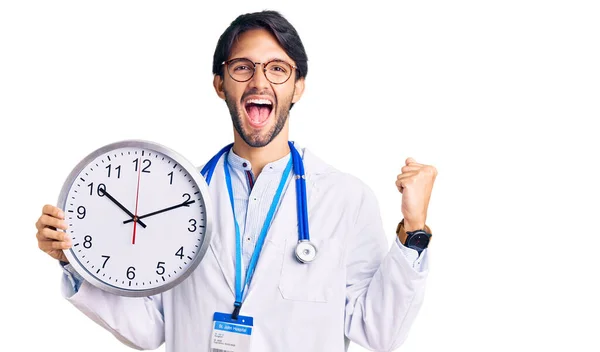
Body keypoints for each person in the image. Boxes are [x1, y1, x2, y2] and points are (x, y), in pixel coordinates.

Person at [35, 10, 438, 352]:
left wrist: (414, 229)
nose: (259, 82)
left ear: (298, 87)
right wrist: (74, 259)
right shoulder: (176, 197)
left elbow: (377, 330)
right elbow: (150, 328)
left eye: (277, 69)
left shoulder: (345, 198)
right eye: (242, 67)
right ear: (220, 83)